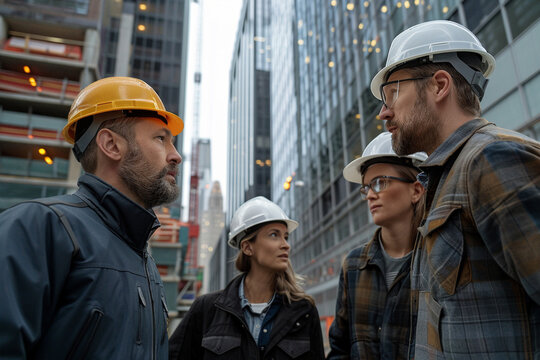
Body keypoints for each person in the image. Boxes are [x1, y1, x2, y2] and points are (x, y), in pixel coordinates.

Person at [372, 20, 540, 358]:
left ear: (439, 86)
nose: (383, 112)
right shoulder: (442, 178)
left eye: (393, 92)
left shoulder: (493, 159)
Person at [0, 77, 184, 359]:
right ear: (111, 144)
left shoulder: (143, 260)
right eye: (161, 138)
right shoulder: (39, 227)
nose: (176, 156)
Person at [169, 196, 325, 360]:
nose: (286, 244)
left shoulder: (303, 311)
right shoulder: (207, 309)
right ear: (247, 247)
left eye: (285, 236)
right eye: (274, 235)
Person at [327, 132, 426, 359]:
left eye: (380, 183)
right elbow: (339, 349)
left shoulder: (438, 257)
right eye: (367, 187)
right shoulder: (353, 265)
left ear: (416, 190)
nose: (370, 195)